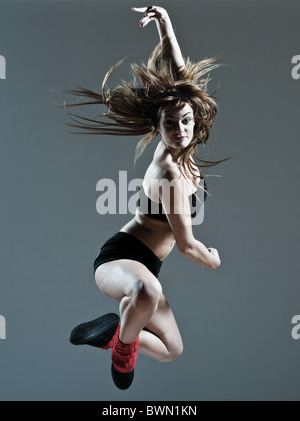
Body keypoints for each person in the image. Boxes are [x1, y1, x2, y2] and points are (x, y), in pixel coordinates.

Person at [66, 6, 225, 390]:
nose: (180, 129)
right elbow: (186, 245)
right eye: (169, 124)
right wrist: (213, 260)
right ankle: (123, 352)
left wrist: (165, 23)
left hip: (147, 266)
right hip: (120, 259)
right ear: (157, 128)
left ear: (195, 119)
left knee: (172, 349)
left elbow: (177, 71)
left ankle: (115, 331)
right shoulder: (169, 170)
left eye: (186, 120)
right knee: (148, 291)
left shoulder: (188, 150)